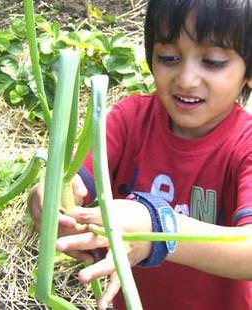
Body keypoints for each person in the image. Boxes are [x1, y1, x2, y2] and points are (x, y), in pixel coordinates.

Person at [29, 0, 252, 309]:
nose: (186, 79)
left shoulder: (246, 145)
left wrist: (159, 230)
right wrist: (52, 202)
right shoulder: (129, 120)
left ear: (248, 72)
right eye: (169, 57)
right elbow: (75, 182)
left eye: (212, 61)